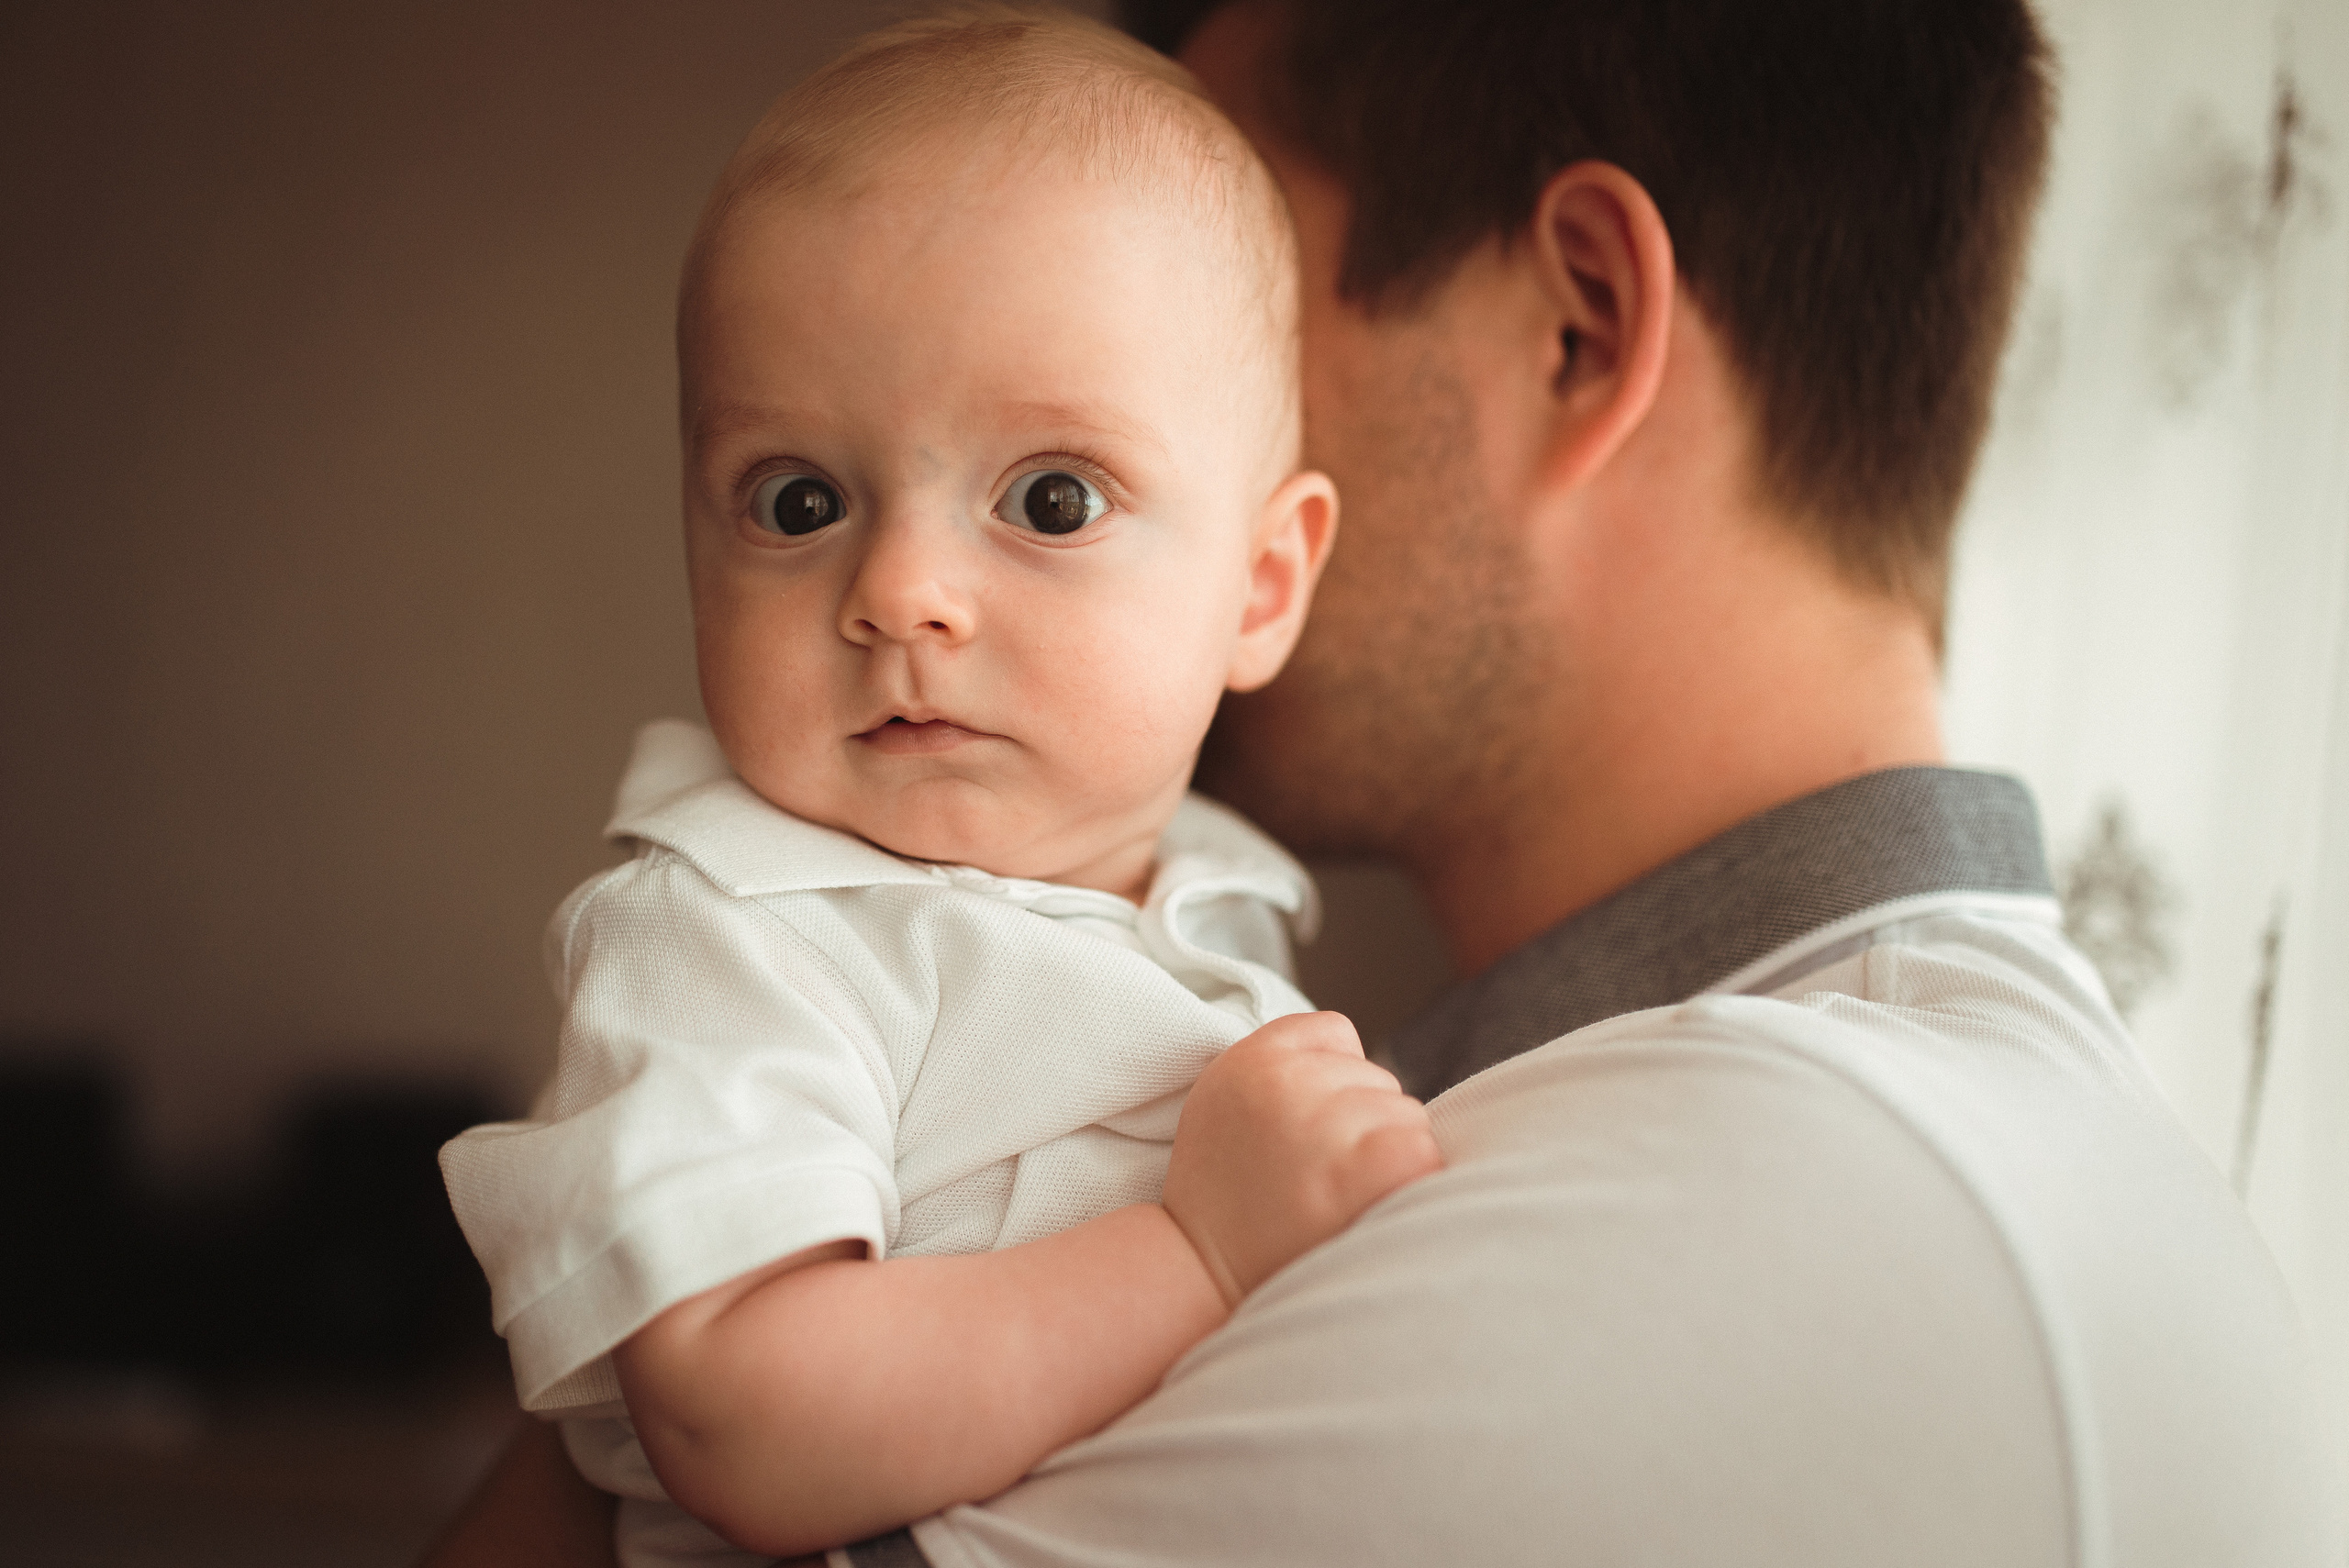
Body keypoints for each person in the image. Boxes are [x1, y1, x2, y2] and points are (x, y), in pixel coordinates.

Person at [427, 2, 2346, 1563]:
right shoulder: (1399, 1048)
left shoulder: (1802, 1192)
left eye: (1230, 262)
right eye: (799, 498)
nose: (911, 592)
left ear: (1575, 328)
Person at [435, 10, 1442, 1565]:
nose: (900, 590)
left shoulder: (1223, 902)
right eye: (800, 500)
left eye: (1050, 499)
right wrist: (1193, 1249)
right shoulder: (735, 932)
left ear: (1257, 585)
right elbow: (743, 1419)